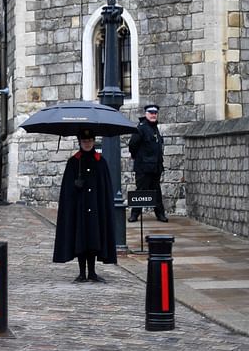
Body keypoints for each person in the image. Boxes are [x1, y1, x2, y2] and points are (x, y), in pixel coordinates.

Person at [52, 128, 117, 283]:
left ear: (93, 141)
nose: (87, 144)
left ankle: (92, 272)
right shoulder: (74, 162)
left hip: (95, 207)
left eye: (89, 141)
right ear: (80, 142)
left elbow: (105, 189)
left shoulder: (100, 162)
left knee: (94, 237)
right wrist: (75, 187)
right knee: (80, 238)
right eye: (84, 141)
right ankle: (82, 272)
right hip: (79, 208)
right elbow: (67, 191)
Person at [128, 104, 168, 222]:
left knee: (156, 191)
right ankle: (134, 214)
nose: (153, 115)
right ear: (146, 114)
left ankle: (160, 214)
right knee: (141, 191)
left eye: (155, 113)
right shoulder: (141, 128)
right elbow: (132, 144)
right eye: (151, 113)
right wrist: (138, 158)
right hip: (143, 167)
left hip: (155, 167)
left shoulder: (154, 128)